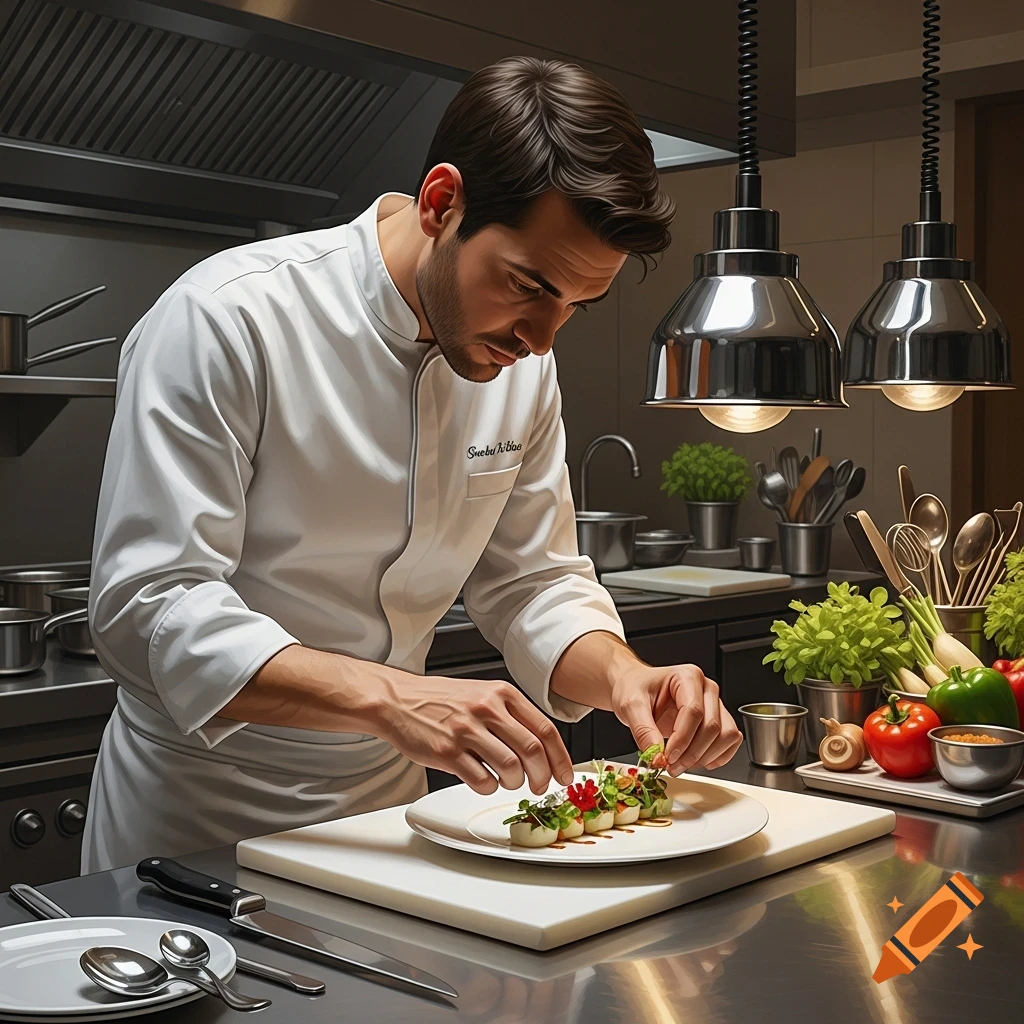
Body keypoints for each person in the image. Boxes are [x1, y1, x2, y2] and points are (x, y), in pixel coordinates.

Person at [82, 55, 742, 873]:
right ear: (441, 203)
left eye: (576, 306)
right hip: (197, 817)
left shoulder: (522, 364)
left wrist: (625, 676)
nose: (542, 338)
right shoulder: (226, 319)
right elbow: (148, 606)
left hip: (392, 823)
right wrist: (397, 697)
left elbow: (532, 581)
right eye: (527, 285)